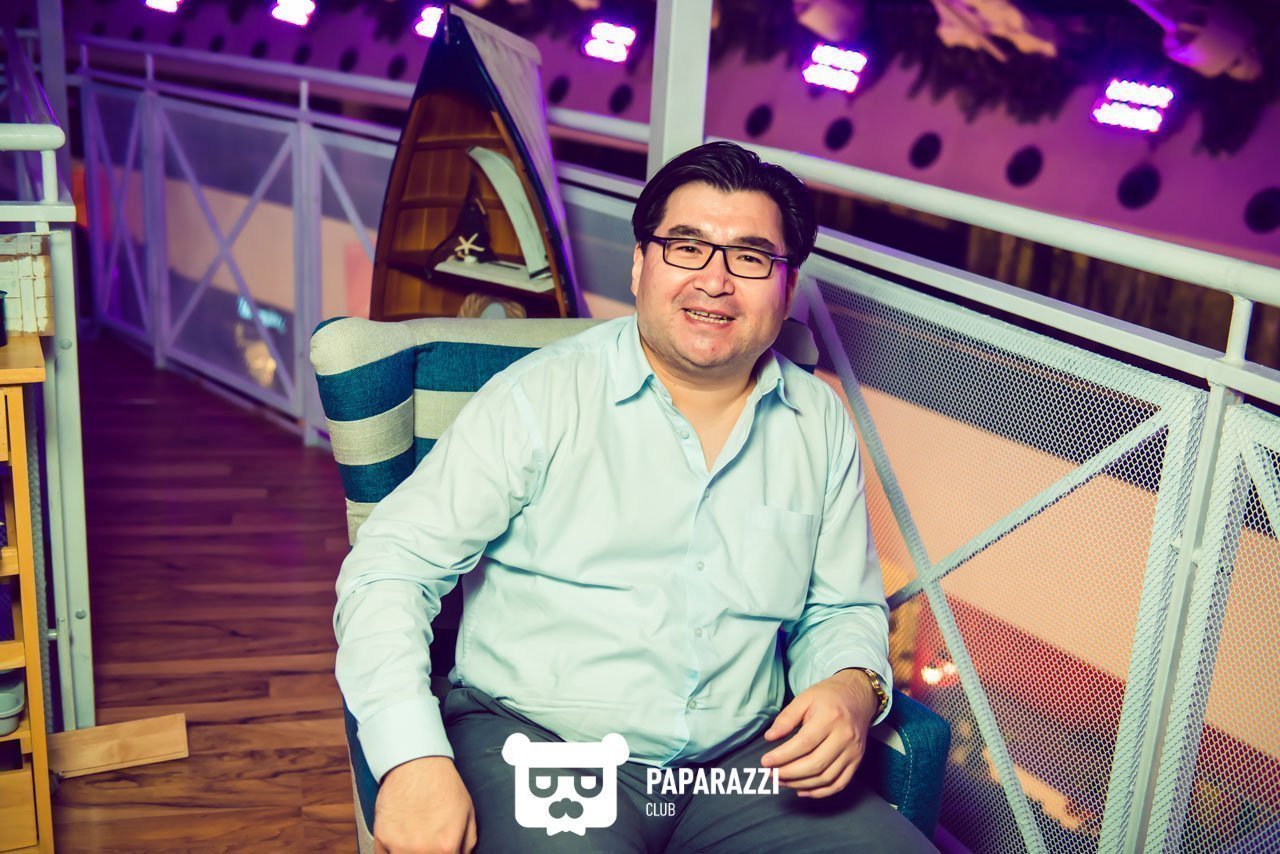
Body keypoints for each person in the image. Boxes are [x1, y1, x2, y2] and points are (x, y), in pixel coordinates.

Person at [334, 141, 933, 853]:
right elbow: (389, 572)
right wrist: (411, 758)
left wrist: (853, 686)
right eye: (687, 247)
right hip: (545, 746)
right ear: (641, 263)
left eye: (749, 257)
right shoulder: (539, 396)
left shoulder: (818, 421)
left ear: (787, 284)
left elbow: (839, 606)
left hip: (745, 766)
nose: (715, 281)